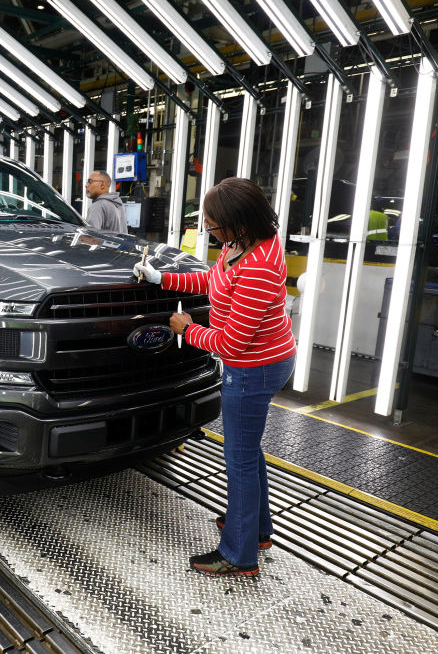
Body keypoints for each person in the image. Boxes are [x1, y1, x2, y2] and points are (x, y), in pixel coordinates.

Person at [133, 177, 296, 577]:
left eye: (212, 223)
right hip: (261, 362)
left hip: (254, 369)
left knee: (239, 460)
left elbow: (231, 344)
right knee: (248, 451)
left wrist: (186, 329)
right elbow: (211, 279)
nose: (208, 229)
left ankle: (238, 555)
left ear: (238, 221)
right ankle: (257, 529)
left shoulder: (259, 266)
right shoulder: (240, 244)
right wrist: (161, 278)